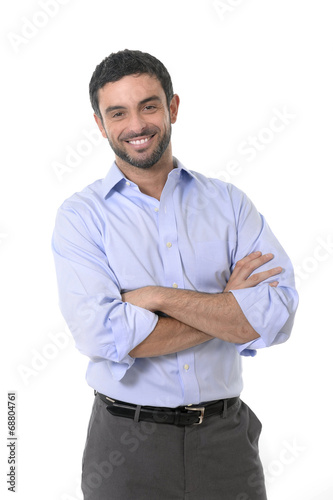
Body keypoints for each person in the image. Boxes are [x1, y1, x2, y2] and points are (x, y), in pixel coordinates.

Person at [52, 49, 299, 500]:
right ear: (100, 123)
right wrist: (225, 306)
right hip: (126, 448)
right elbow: (102, 337)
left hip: (225, 442)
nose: (137, 125)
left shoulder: (229, 204)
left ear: (173, 107)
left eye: (149, 105)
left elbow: (274, 316)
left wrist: (155, 297)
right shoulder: (81, 217)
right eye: (118, 112)